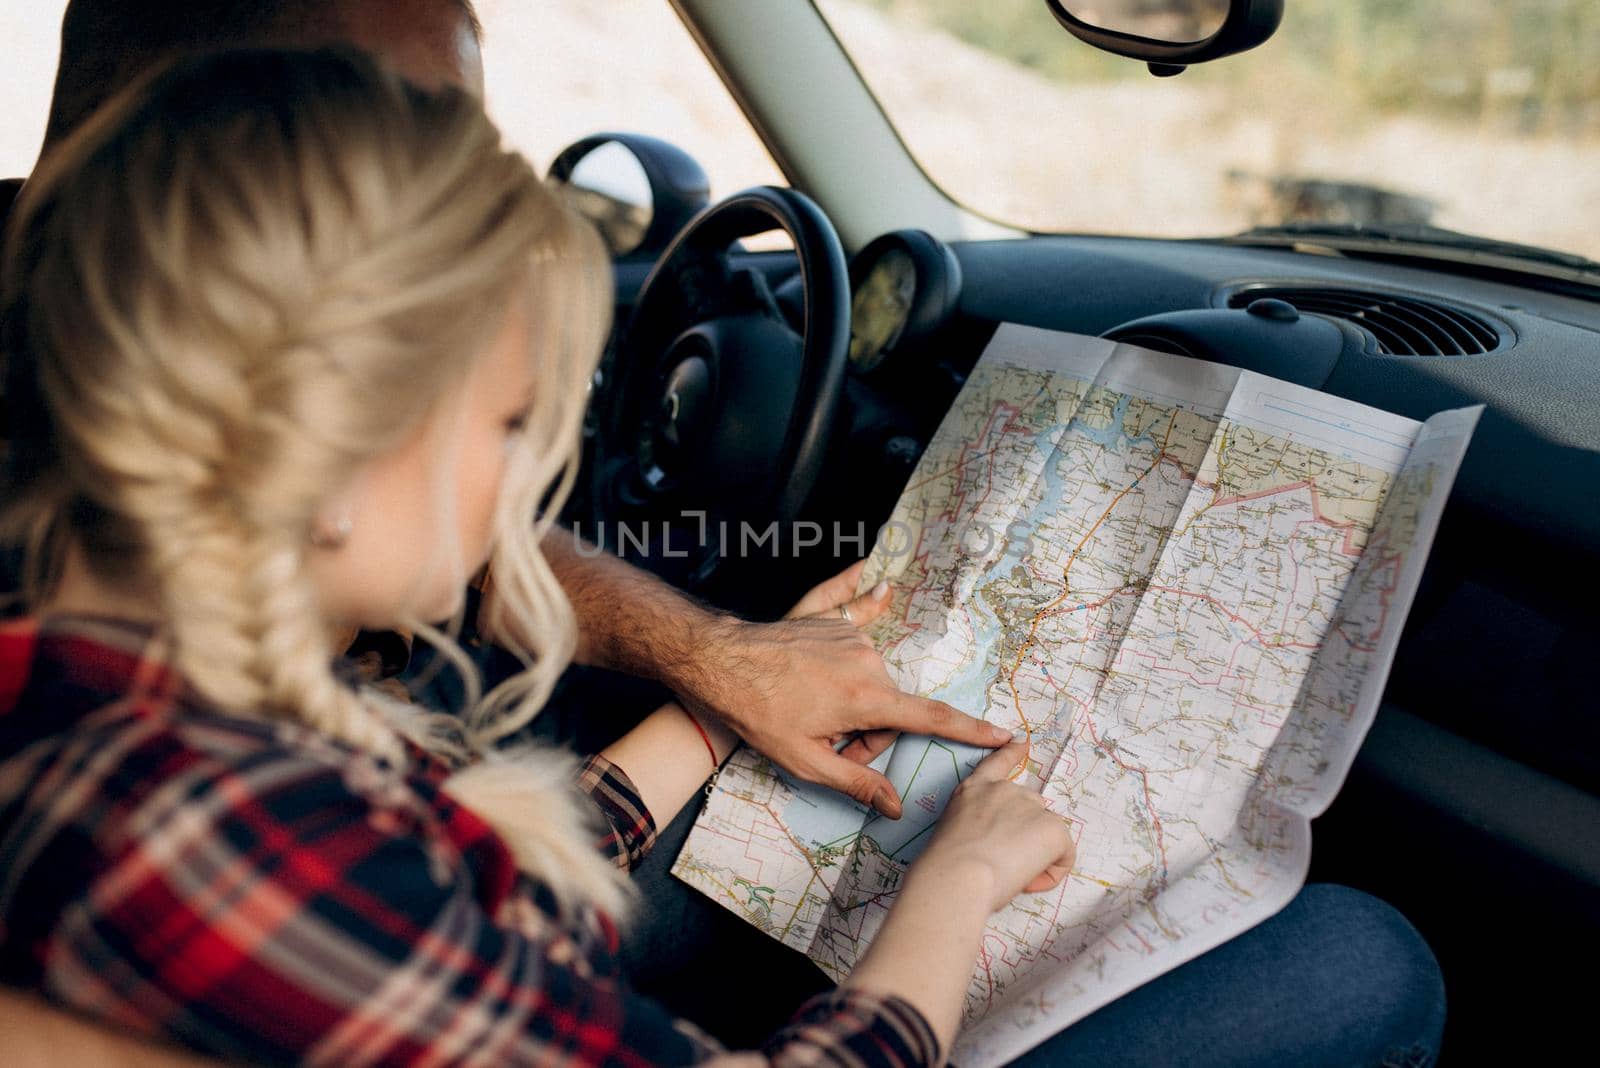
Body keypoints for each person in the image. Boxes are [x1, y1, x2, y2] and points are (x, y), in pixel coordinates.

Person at [0, 45, 1077, 1065]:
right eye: (512, 424)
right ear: (330, 457)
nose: (531, 488)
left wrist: (725, 698)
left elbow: (467, 893)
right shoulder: (202, 827)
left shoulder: (126, 718)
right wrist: (962, 876)